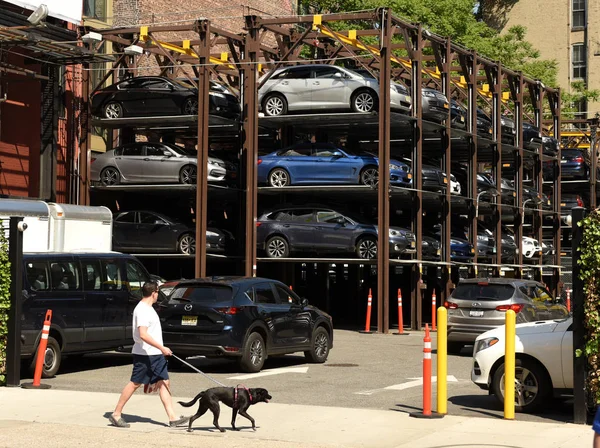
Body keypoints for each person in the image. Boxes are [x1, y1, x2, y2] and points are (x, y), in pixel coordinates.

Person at [109, 281, 188, 428]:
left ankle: (172, 418)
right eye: (158, 292)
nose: (158, 295)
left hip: (155, 354)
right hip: (145, 354)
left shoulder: (148, 308)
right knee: (135, 383)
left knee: (164, 381)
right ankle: (116, 414)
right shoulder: (143, 310)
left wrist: (160, 350)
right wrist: (162, 348)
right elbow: (143, 335)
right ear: (154, 293)